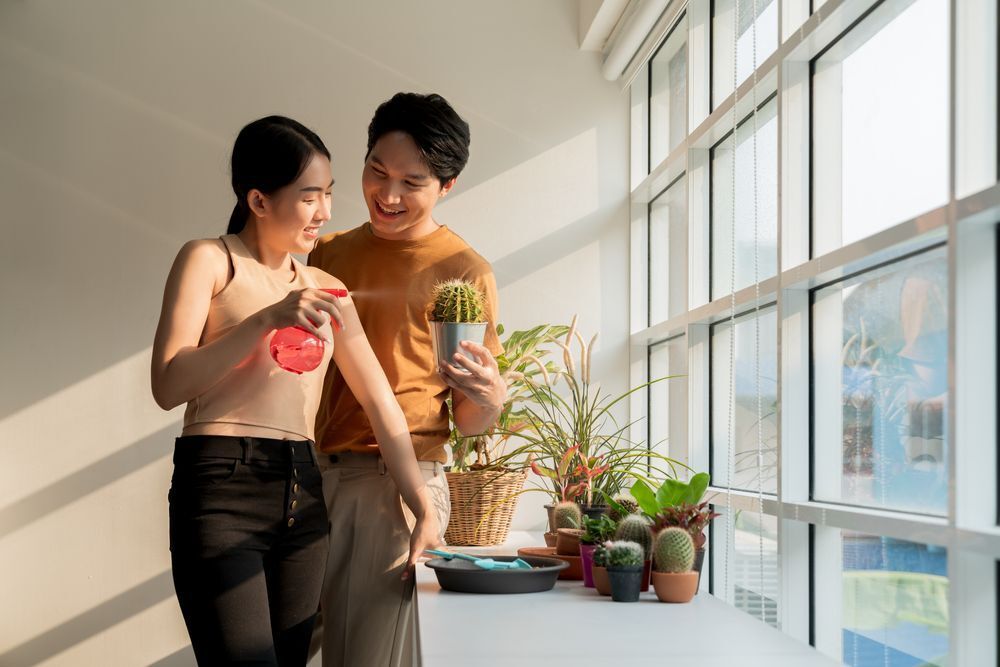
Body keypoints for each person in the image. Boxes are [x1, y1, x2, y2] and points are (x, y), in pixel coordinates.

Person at [151, 115, 440, 666]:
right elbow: (168, 384)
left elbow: (380, 401)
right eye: (311, 197)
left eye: (329, 194)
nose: (327, 212)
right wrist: (265, 320)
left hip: (303, 492)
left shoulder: (327, 290)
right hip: (220, 487)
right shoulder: (209, 260)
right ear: (259, 201)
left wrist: (421, 504)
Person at [308, 93, 507, 667]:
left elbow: (467, 420)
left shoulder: (464, 272)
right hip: (307, 474)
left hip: (396, 486)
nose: (388, 195)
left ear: (447, 185)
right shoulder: (327, 252)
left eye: (411, 182)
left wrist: (490, 400)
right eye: (377, 171)